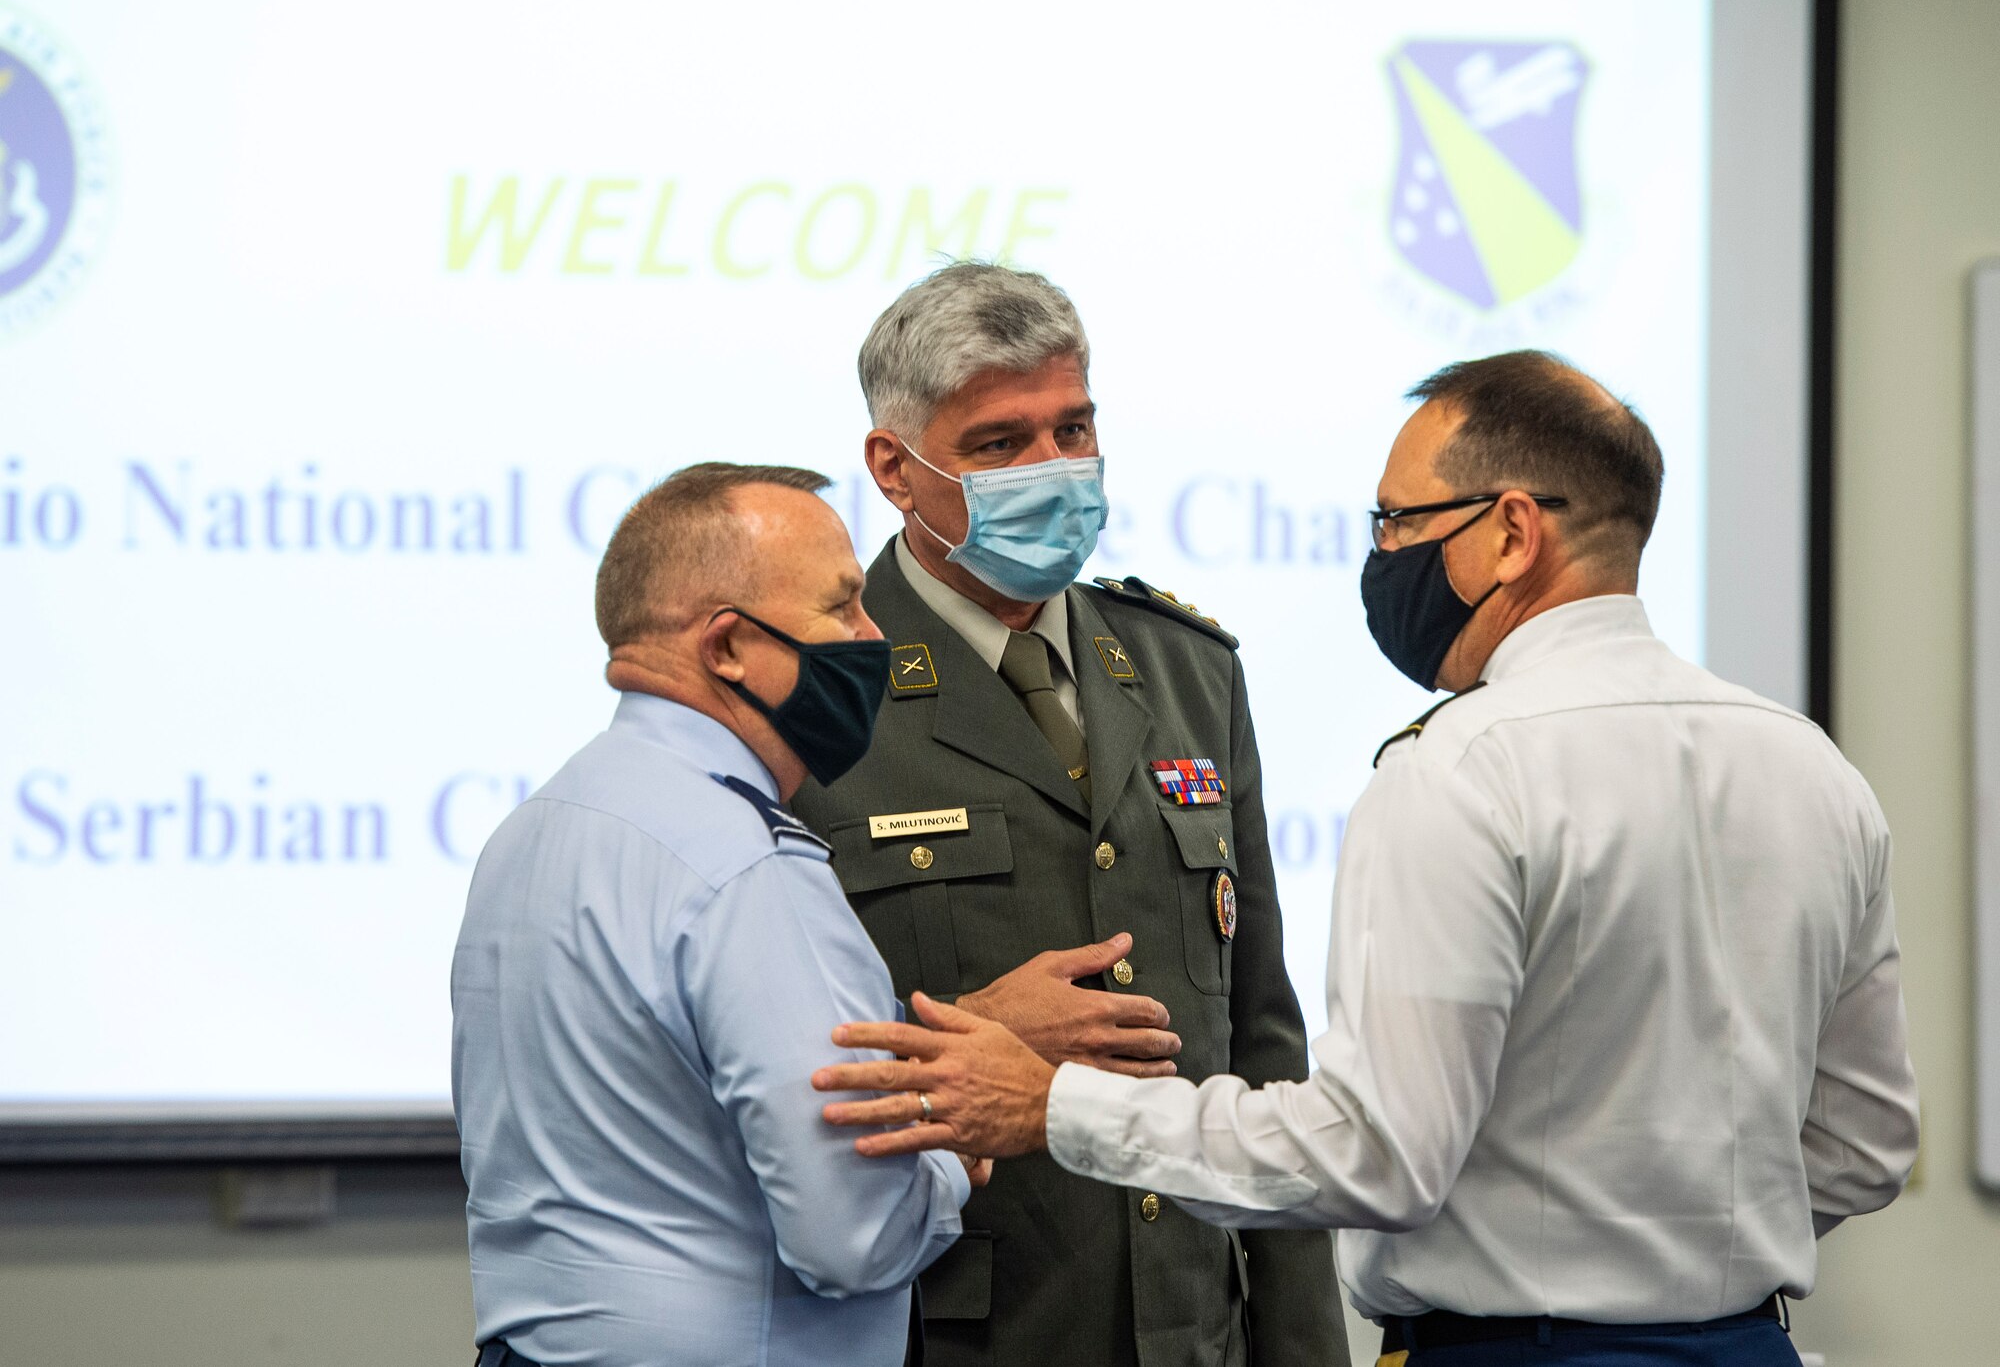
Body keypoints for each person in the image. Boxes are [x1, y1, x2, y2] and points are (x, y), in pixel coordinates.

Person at [813, 350, 1922, 1367]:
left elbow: (1371, 1153)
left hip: (1510, 1350)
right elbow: (1866, 1143)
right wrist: (1684, 1241)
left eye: (1397, 523)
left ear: (1509, 534)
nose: (1381, 554)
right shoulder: (1809, 765)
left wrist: (1053, 1104)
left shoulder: (1462, 769)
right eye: (1005, 442)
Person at [787, 261, 1344, 1367]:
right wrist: (973, 1032)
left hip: (1193, 1327)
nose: (1052, 468)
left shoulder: (1187, 670)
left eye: (1072, 428)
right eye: (1000, 445)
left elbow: (1262, 1040)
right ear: (893, 470)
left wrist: (1300, 1345)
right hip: (959, 1328)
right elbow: (764, 1066)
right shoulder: (814, 692)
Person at [452, 462, 979, 1367]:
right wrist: (955, 1149)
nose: (873, 636)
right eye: (843, 607)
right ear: (728, 648)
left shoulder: (538, 825)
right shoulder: (747, 865)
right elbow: (854, 1240)